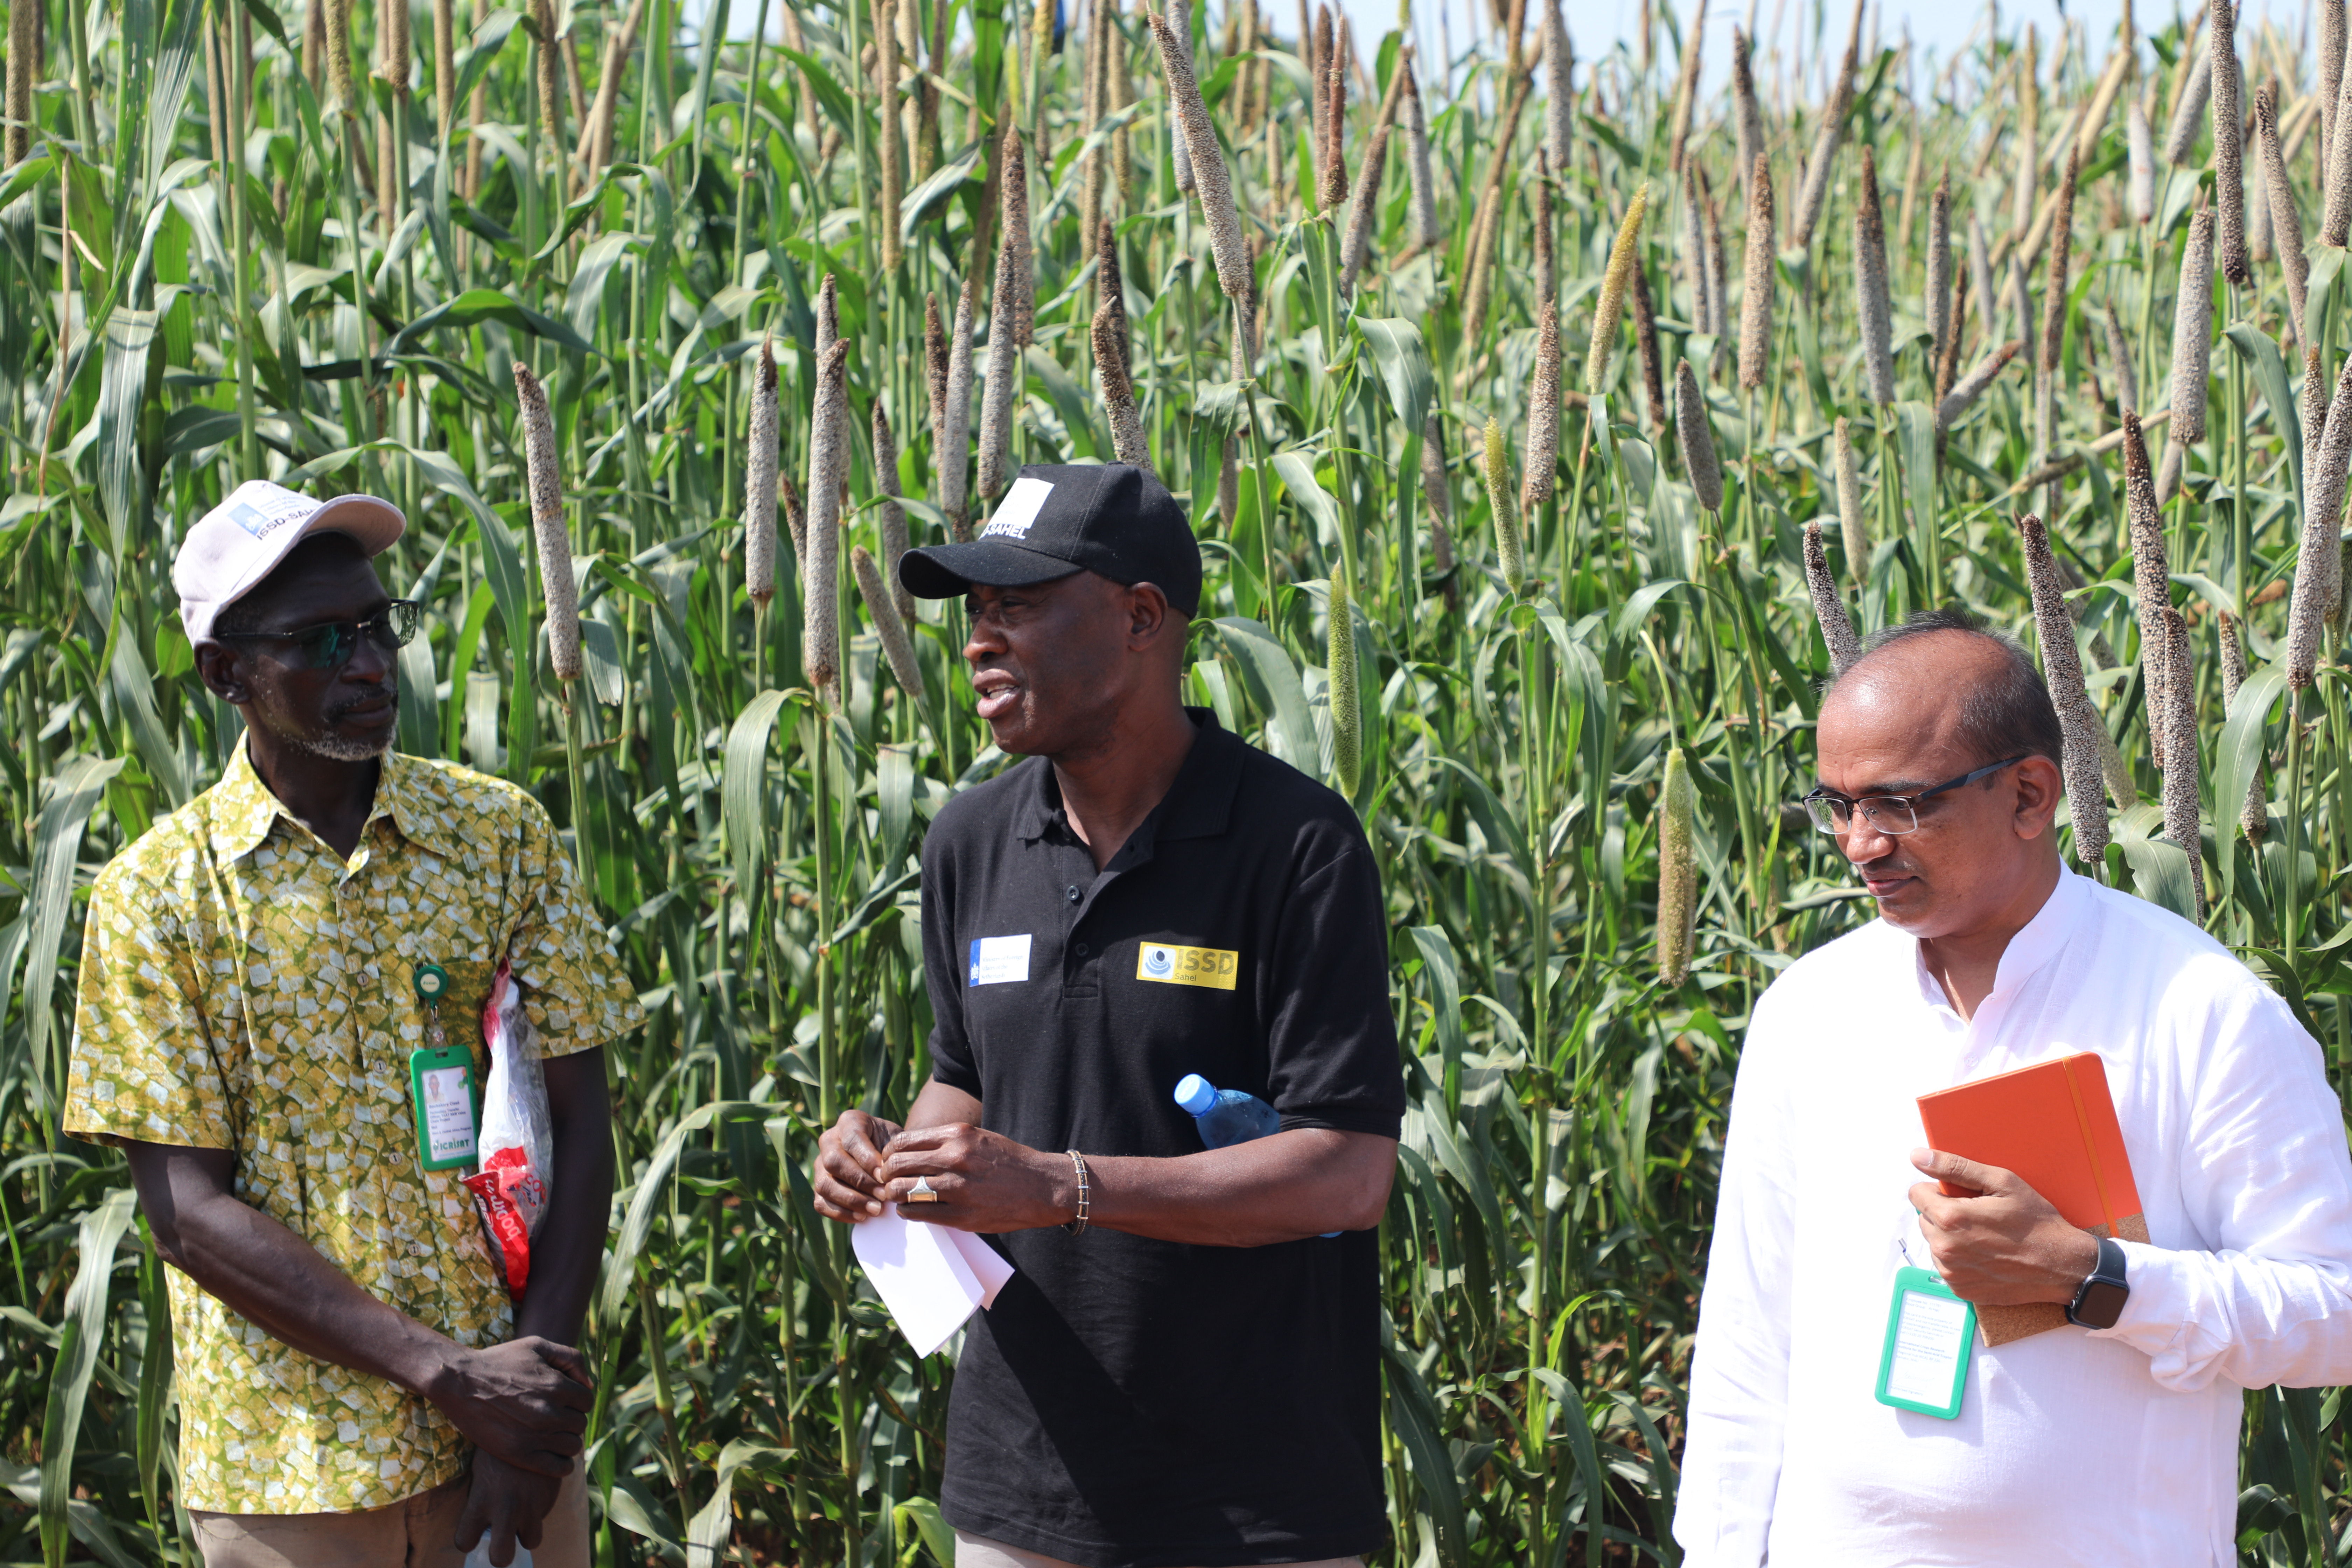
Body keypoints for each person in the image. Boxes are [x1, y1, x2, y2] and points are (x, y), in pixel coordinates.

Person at [812, 463, 1406, 1568]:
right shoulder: (969, 843)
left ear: (1141, 618)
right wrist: (886, 1154)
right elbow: (968, 1080)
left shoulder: (1296, 846)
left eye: (1020, 606)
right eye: (975, 614)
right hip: (1025, 1481)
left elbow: (1347, 1174)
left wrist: (1057, 1186)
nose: (980, 641)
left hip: (1254, 1495)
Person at [1674, 609, 2352, 1566]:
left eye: (1899, 806)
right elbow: (1750, 1334)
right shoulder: (1809, 1011)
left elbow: (2336, 1313)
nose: (1859, 845)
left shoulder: (2199, 1012)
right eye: (1837, 804)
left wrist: (2097, 1280)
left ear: (2031, 795)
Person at [63, 481, 644, 1568]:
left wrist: (534, 1399)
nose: (372, 666)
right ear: (225, 673)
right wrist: (446, 1374)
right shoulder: (157, 900)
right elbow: (187, 1214)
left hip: (508, 1454)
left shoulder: (496, 836)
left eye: (378, 627)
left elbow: (581, 1116)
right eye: (322, 642)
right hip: (292, 1477)